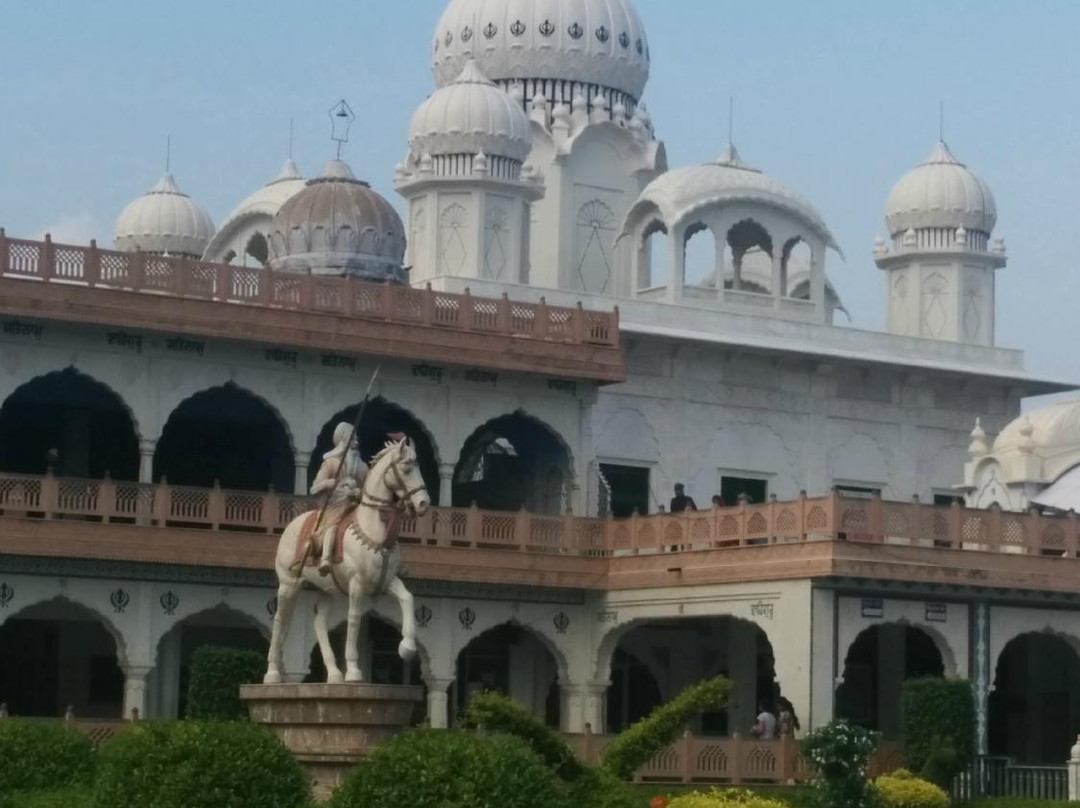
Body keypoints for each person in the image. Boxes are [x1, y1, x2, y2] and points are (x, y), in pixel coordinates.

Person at [310, 423, 365, 575]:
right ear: (343, 439)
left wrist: (359, 493)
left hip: (354, 507)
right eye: (352, 436)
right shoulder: (331, 463)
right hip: (334, 507)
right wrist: (326, 483)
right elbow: (314, 488)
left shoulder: (362, 468)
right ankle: (326, 559)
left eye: (356, 436)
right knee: (333, 526)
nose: (356, 439)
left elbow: (366, 492)